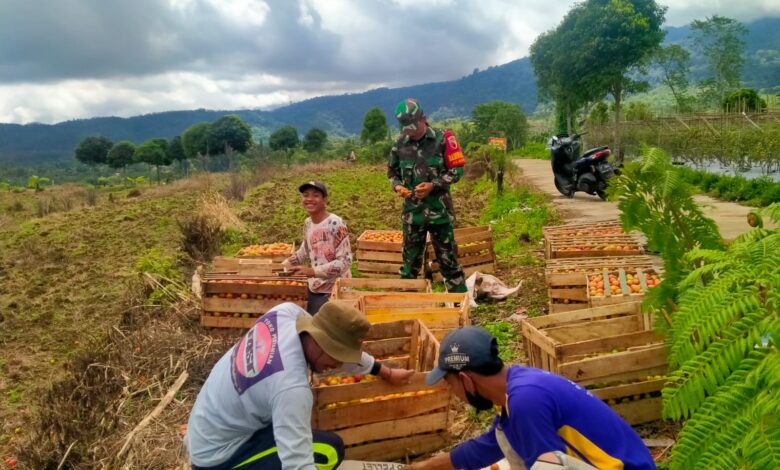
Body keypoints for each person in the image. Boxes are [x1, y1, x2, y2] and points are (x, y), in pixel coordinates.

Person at [185, 301, 415, 469]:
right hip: (218, 459)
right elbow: (297, 464)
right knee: (328, 451)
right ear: (320, 342)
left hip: (207, 427)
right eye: (337, 356)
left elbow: (334, 351)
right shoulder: (291, 388)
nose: (337, 365)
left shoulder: (285, 313)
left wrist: (386, 372)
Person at [406, 327, 656, 470]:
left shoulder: (525, 403)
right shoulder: (516, 386)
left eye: (450, 384)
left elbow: (549, 466)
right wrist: (425, 467)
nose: (454, 394)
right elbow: (492, 444)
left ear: (466, 380)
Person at [388, 98, 467, 293]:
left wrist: (434, 185)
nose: (411, 133)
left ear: (423, 118)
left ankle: (460, 303)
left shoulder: (444, 139)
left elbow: (457, 170)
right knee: (409, 267)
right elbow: (392, 172)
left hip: (440, 212)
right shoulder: (399, 144)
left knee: (449, 263)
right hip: (412, 215)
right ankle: (409, 305)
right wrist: (398, 186)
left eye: (413, 128)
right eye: (407, 129)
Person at [283, 180, 352, 315]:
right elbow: (305, 251)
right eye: (306, 195)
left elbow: (345, 262)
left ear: (324, 199)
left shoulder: (335, 223)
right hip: (315, 287)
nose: (309, 199)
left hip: (335, 289)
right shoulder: (308, 223)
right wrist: (285, 264)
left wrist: (312, 271)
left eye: (315, 195)